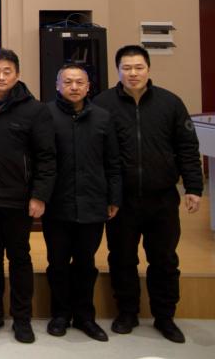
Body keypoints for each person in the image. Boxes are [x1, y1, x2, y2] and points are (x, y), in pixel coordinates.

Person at [94, 44, 203, 344]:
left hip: (162, 198)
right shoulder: (103, 104)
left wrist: (194, 187)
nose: (133, 73)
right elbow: (96, 152)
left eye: (138, 67)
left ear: (148, 69)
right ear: (118, 71)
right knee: (122, 258)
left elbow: (187, 148)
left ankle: (165, 316)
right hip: (121, 201)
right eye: (126, 68)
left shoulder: (170, 103)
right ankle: (127, 313)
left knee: (164, 259)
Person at [0, 49, 55, 343]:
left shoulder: (35, 110)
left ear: (17, 74)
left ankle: (22, 318)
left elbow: (46, 157)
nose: (1, 77)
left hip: (20, 198)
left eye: (7, 71)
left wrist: (39, 195)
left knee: (20, 258)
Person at [43, 63, 120, 342]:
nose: (73, 87)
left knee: (86, 263)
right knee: (57, 263)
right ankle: (60, 315)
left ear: (88, 87)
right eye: (67, 82)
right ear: (57, 86)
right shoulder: (46, 115)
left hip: (92, 203)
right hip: (57, 204)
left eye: (79, 82)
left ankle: (85, 316)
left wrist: (114, 197)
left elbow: (113, 162)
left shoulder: (102, 117)